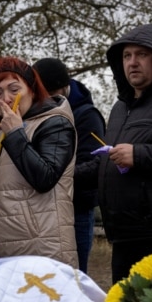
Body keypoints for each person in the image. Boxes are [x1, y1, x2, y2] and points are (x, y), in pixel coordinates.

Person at [81, 24, 152, 283]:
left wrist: (139, 155)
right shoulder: (120, 108)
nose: (133, 62)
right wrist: (65, 175)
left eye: (142, 54)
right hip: (124, 236)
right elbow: (109, 160)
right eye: (127, 56)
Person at [0, 56, 78, 268]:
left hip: (43, 249)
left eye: (14, 89)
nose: (6, 99)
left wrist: (16, 133)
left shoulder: (55, 123)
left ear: (33, 89)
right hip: (1, 251)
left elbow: (45, 177)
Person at [33, 57, 106, 274]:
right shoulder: (38, 112)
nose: (49, 99)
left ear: (66, 87)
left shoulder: (87, 116)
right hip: (44, 208)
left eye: (54, 93)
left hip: (77, 210)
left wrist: (52, 174)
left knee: (74, 275)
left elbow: (95, 165)